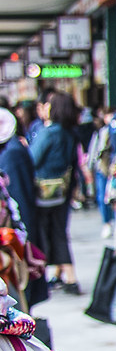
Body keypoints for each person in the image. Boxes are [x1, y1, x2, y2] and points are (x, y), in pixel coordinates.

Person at [0, 106, 50, 336]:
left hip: (10, 249)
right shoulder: (13, 151)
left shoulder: (11, 154)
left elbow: (18, 202)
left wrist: (22, 242)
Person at [28, 94, 81, 289]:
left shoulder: (48, 132)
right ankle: (63, 273)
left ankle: (69, 275)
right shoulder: (70, 133)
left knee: (50, 233)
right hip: (63, 191)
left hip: (44, 193)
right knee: (60, 229)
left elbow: (32, 159)